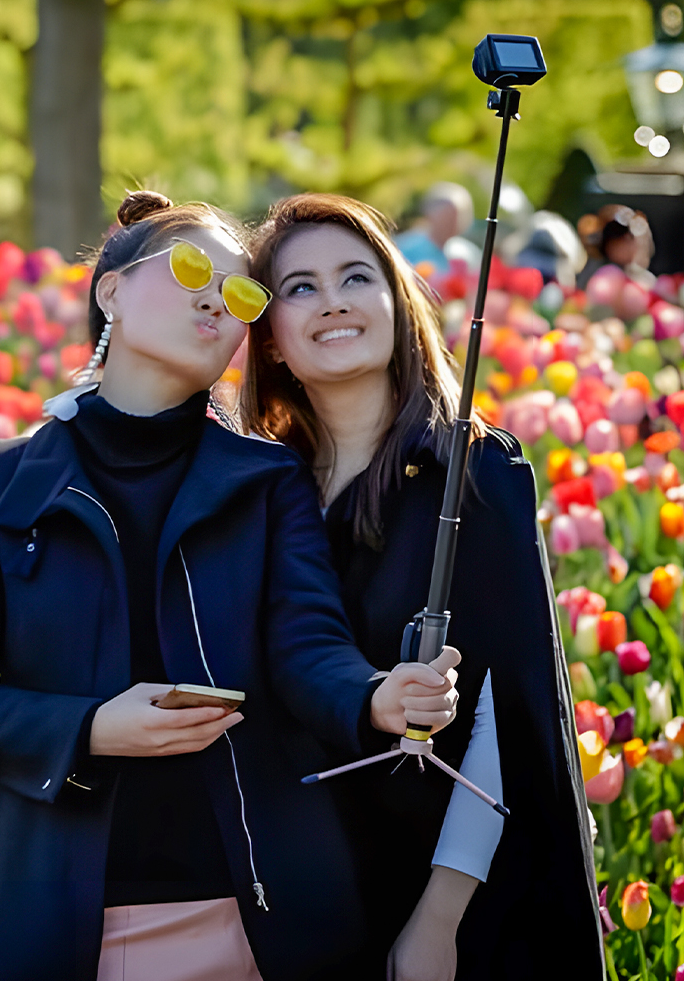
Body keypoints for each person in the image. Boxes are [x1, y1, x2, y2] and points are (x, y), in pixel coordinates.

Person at [0, 190, 462, 981]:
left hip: (257, 914)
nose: (216, 298)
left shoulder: (268, 479)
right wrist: (93, 726)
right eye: (193, 267)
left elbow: (307, 644)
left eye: (242, 294)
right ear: (112, 291)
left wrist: (373, 697)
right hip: (62, 919)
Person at [240, 193, 603, 981]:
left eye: (355, 277)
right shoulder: (264, 491)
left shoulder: (471, 472)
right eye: (299, 287)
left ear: (397, 304)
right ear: (269, 340)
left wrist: (439, 919)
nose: (332, 300)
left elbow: (506, 716)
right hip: (309, 890)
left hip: (456, 893)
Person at [393, 182, 473, 275]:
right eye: (446, 217)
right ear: (430, 214)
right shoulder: (405, 247)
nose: (452, 223)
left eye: (457, 217)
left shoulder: (466, 252)